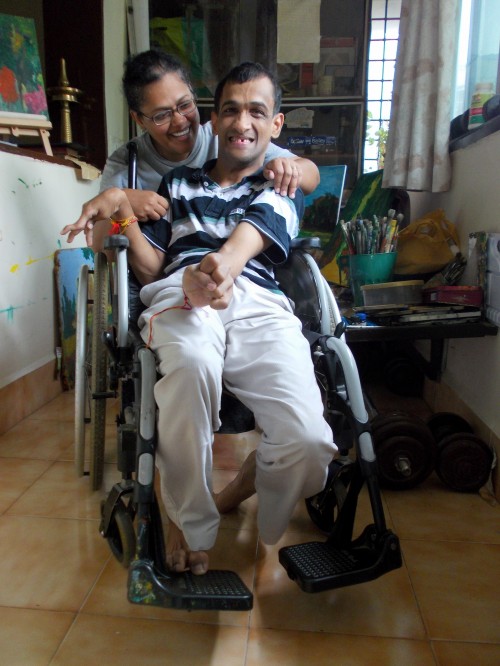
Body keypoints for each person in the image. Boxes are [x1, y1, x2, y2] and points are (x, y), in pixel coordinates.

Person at [62, 62, 336, 576]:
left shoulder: (277, 184)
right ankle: (189, 523)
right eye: (231, 110)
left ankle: (249, 490)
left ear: (275, 126)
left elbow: (264, 222)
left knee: (311, 439)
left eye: (257, 112)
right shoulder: (176, 183)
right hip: (179, 294)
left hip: (257, 298)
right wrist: (121, 208)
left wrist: (222, 269)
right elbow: (147, 264)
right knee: (188, 367)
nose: (242, 122)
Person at [100, 49, 320, 223]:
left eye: (185, 105)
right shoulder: (126, 164)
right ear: (139, 119)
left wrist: (291, 170)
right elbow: (100, 240)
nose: (179, 121)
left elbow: (311, 175)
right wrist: (122, 202)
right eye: (161, 115)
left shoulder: (227, 138)